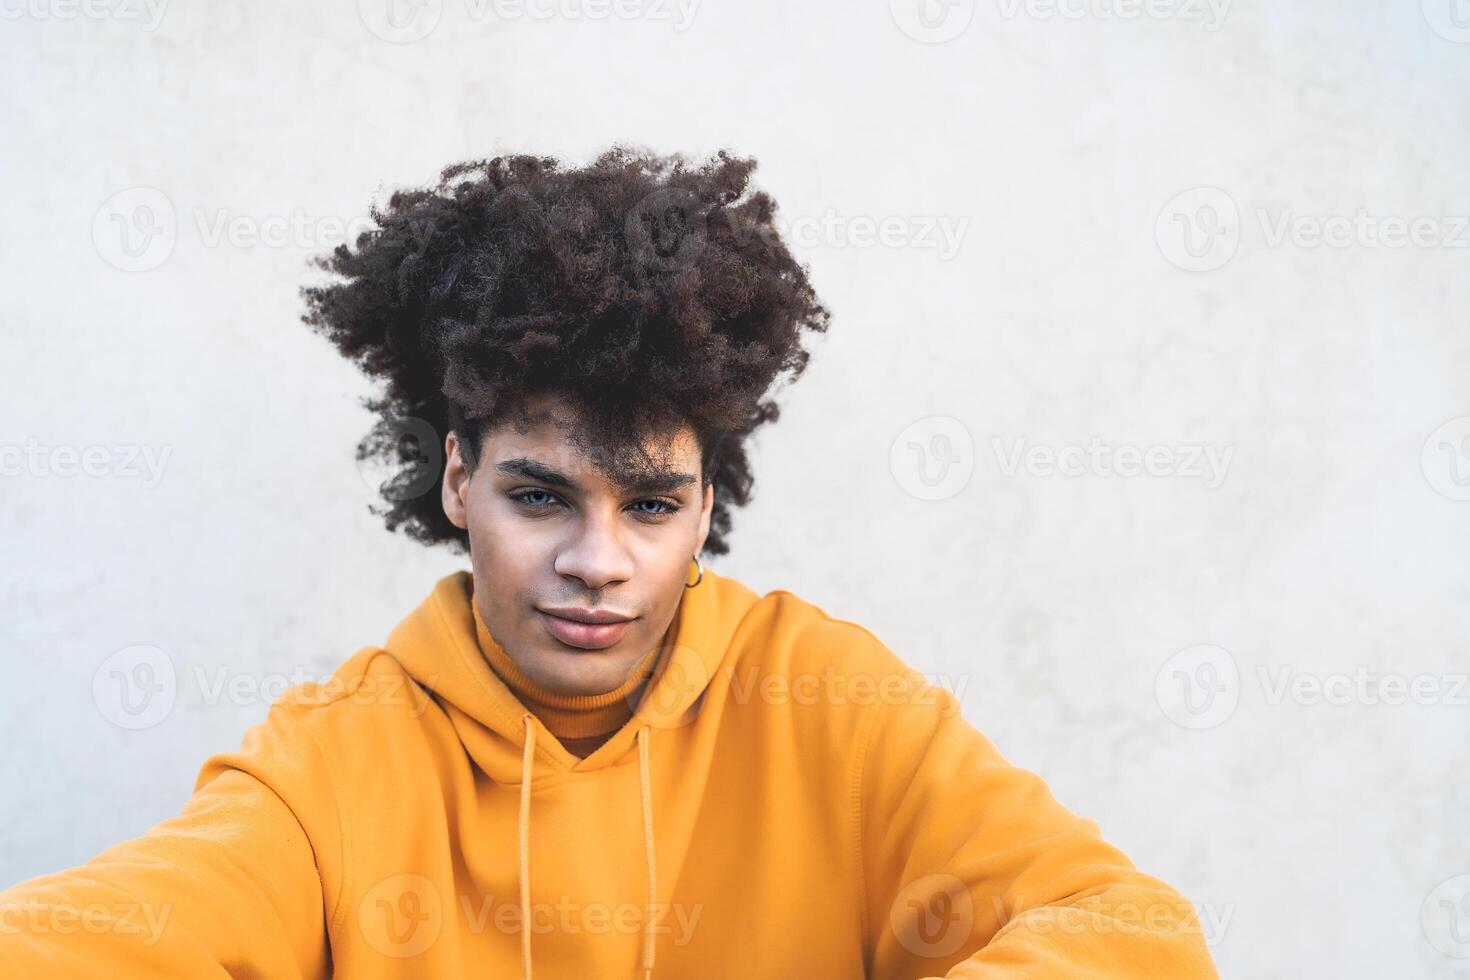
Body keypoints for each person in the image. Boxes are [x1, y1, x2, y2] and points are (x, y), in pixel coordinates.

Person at [0, 148, 1219, 977]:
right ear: (456, 477)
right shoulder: (335, 761)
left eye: (649, 503)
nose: (599, 561)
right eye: (540, 496)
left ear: (706, 507)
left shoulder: (826, 699)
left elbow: (1135, 933)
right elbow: (106, 935)